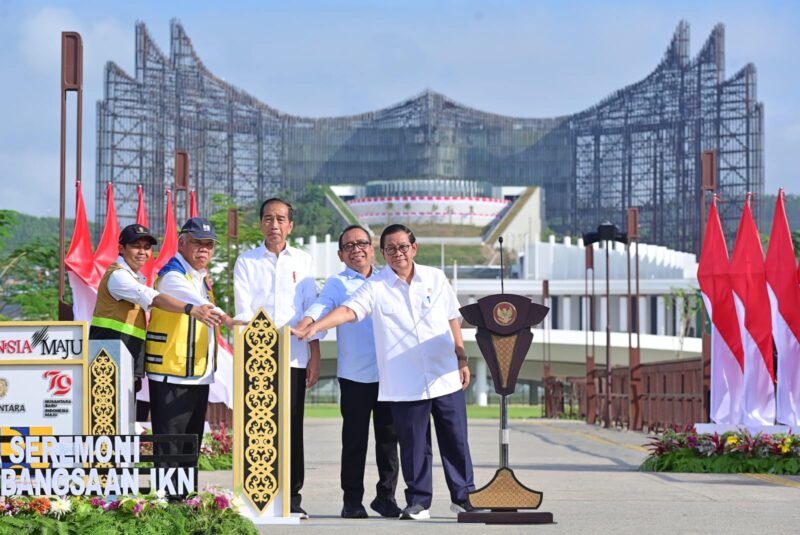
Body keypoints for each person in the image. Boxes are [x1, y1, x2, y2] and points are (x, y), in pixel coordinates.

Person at [294, 224, 476, 521]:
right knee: (414, 445)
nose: (398, 253)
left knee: (454, 440)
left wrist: (461, 356)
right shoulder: (374, 286)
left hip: (442, 373)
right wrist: (315, 326)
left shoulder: (435, 277)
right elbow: (348, 311)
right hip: (401, 379)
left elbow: (452, 317)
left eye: (403, 247)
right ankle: (417, 502)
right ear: (384, 253)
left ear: (414, 248)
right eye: (391, 249)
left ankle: (464, 497)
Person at [295, 225, 401, 519]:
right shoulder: (337, 283)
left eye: (362, 244)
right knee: (354, 441)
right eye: (349, 246)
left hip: (389, 374)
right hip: (355, 376)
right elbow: (322, 305)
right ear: (341, 255)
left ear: (372, 248)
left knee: (388, 441)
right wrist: (307, 322)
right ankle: (352, 501)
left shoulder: (389, 278)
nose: (357, 250)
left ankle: (386, 497)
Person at [233, 198, 320, 519]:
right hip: (256, 357)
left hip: (295, 357)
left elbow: (312, 309)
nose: (274, 225)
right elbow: (243, 310)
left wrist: (315, 353)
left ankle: (292, 494)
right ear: (261, 224)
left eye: (281, 219)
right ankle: (259, 492)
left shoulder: (305, 261)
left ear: (290, 225)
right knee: (258, 425)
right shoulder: (246, 261)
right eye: (268, 219)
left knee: (292, 426)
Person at [144, 217, 240, 487]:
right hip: (171, 373)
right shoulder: (172, 275)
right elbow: (195, 302)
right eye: (197, 243)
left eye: (209, 245)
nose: (204, 250)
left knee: (191, 444)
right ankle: (167, 504)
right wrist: (228, 318)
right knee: (170, 444)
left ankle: (183, 499)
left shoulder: (201, 278)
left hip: (197, 373)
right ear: (182, 243)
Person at [90, 223, 221, 408]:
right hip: (108, 356)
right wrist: (191, 309)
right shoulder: (118, 277)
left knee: (123, 418)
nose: (142, 252)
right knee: (109, 420)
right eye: (136, 246)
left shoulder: (136, 276)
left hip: (127, 353)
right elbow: (154, 299)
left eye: (147, 247)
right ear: (121, 248)